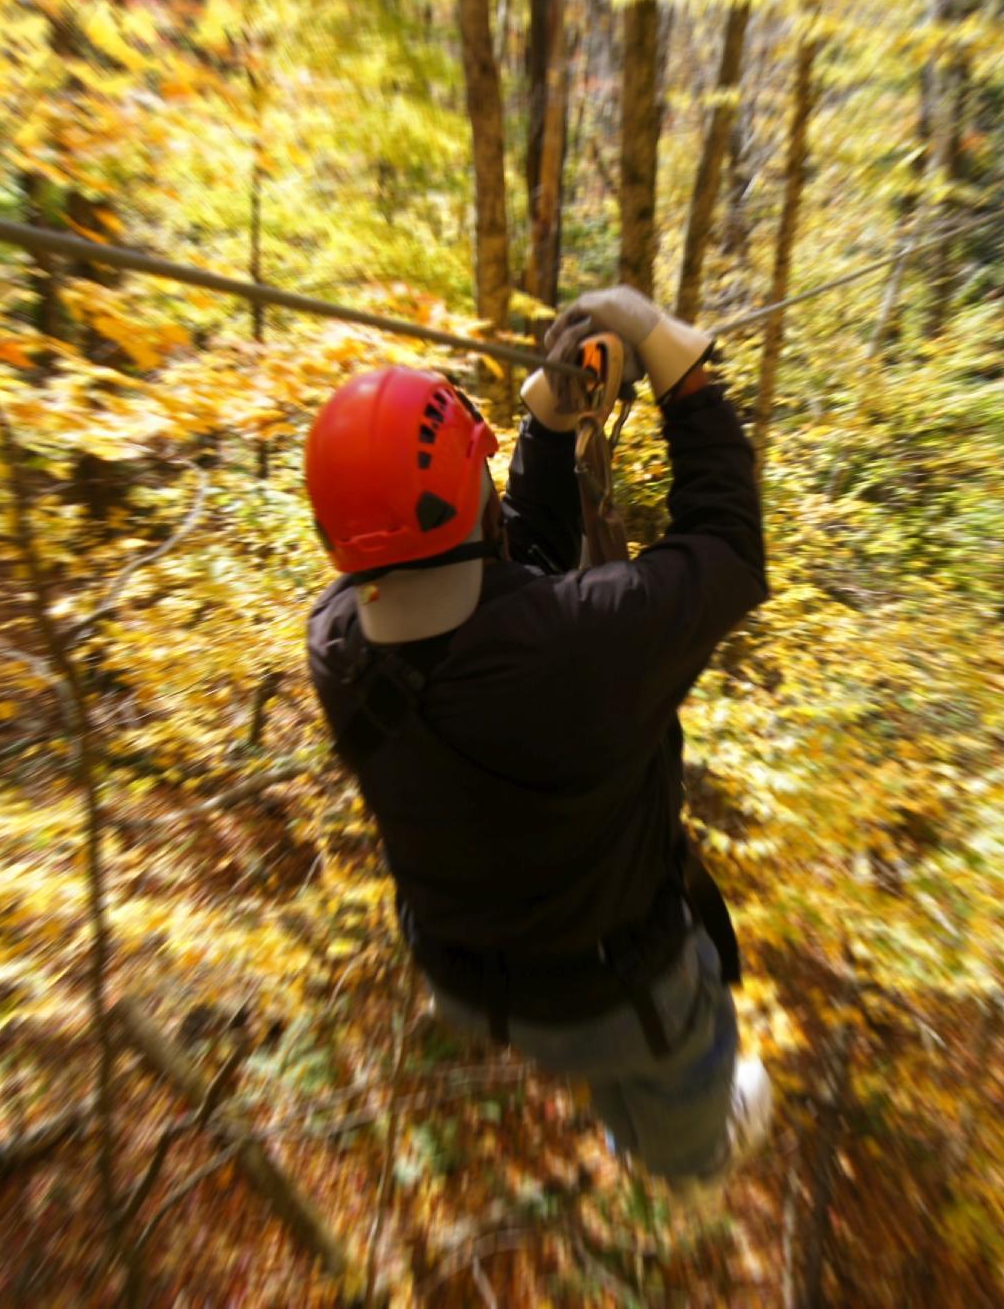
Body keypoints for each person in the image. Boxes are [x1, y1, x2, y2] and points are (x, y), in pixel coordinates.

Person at [303, 287, 772, 1190]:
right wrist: (675, 359)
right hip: (623, 989)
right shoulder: (586, 646)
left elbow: (491, 576)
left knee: (598, 1050)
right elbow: (728, 545)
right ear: (468, 496)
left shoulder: (338, 644)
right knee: (679, 1110)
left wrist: (548, 431)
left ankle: (625, 1108)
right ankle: (688, 1152)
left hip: (471, 978)